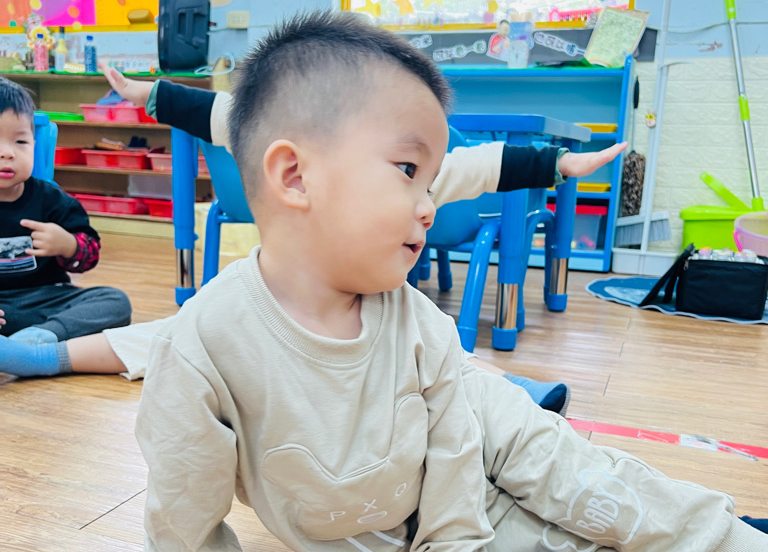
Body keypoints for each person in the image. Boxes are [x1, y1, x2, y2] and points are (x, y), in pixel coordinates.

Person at [93, 11, 768, 552]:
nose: (428, 205)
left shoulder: (418, 322)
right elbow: (184, 472)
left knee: (572, 477)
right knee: (578, 531)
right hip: (401, 532)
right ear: (295, 176)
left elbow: (453, 446)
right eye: (409, 172)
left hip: (463, 454)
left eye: (432, 179)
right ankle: (723, 538)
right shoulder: (207, 339)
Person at [0, 59, 627, 413]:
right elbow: (224, 114)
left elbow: (489, 164)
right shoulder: (297, 149)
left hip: (358, 327)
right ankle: (43, 355)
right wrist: (150, 95)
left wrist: (559, 163)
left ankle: (512, 392)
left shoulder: (417, 176)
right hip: (275, 305)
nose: (421, 202)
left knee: (435, 357)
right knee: (178, 334)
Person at [0, 77, 131, 354]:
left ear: (34, 144)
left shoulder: (52, 199)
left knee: (114, 301)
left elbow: (90, 253)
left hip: (46, 301)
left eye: (20, 141)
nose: (7, 153)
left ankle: (37, 339)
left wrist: (68, 245)